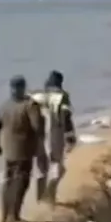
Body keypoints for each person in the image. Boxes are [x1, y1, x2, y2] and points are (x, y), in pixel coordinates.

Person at [0, 75, 44, 222]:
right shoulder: (30, 105)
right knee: (21, 182)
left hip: (8, 152)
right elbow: (37, 127)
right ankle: (14, 217)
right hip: (24, 150)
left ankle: (5, 216)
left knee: (9, 182)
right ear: (23, 87)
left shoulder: (4, 106)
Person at [30, 71, 76, 203]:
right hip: (55, 135)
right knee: (59, 168)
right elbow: (66, 116)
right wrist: (70, 136)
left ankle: (39, 200)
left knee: (41, 170)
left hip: (38, 136)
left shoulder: (37, 97)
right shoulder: (62, 96)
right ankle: (50, 196)